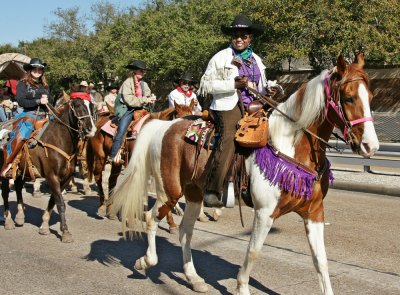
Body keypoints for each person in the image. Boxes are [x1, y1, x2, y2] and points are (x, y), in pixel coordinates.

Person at [198, 14, 271, 207]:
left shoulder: (257, 60)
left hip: (254, 105)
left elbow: (261, 85)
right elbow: (205, 85)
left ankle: (252, 186)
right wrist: (232, 84)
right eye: (236, 35)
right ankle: (212, 190)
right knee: (229, 136)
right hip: (228, 104)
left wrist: (270, 89)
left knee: (271, 133)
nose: (239, 39)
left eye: (243, 35)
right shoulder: (221, 57)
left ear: (250, 38)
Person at [1, 58, 53, 178]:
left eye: (40, 69)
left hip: (45, 115)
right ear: (29, 70)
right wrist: (38, 100)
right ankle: (9, 164)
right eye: (35, 68)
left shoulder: (45, 85)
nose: (38, 71)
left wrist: (48, 104)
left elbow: (48, 102)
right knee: (22, 135)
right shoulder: (22, 84)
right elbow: (21, 101)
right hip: (29, 115)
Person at [109, 60, 156, 164]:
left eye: (144, 71)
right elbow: (129, 100)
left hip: (142, 109)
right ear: (134, 71)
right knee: (122, 130)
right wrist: (145, 100)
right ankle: (113, 155)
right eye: (141, 70)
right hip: (128, 109)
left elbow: (147, 96)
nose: (143, 72)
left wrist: (151, 99)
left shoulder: (144, 84)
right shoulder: (127, 83)